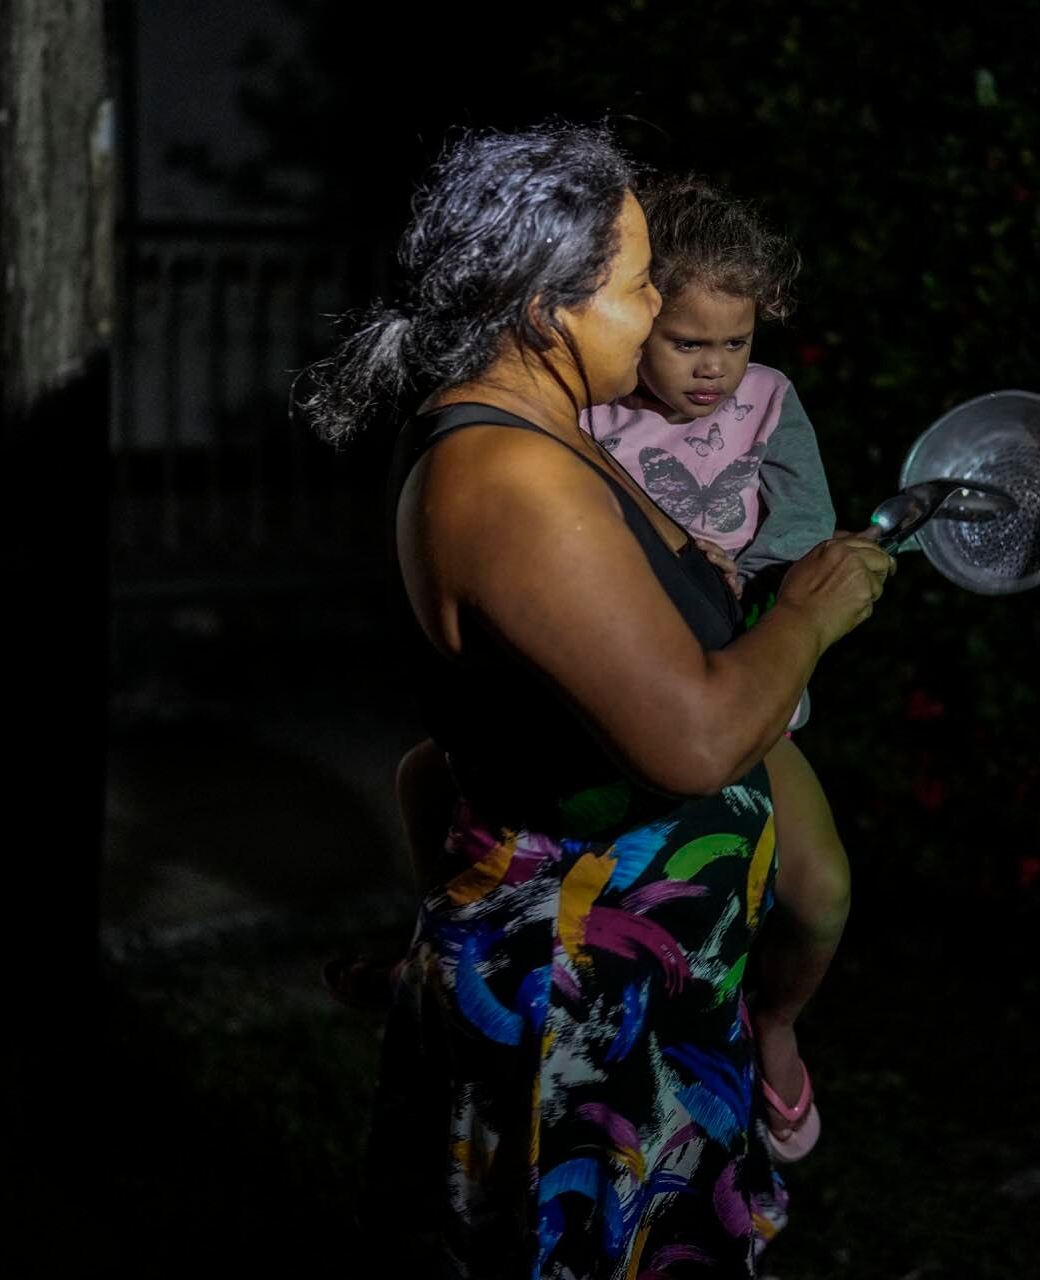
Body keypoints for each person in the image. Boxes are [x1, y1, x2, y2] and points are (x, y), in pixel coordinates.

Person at [296, 123, 893, 1276]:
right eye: (638, 284)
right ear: (546, 307)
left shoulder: (543, 435)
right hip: (588, 1005)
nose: (656, 303)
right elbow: (697, 741)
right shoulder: (512, 479)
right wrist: (807, 616)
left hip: (644, 985)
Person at [582, 176, 850, 1164]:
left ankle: (775, 1022)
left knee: (822, 891)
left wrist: (762, 577)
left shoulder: (771, 402)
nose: (714, 369)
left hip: (747, 698)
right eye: (688, 342)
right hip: (627, 701)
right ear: (640, 317)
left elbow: (805, 532)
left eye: (734, 343)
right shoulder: (593, 415)